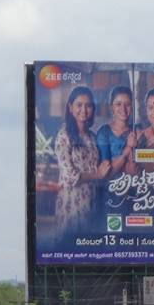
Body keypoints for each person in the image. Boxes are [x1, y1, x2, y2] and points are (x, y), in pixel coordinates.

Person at [52, 85, 103, 242]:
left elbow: (99, 166)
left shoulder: (92, 137)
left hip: (91, 201)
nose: (84, 110)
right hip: (72, 204)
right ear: (70, 108)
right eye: (79, 105)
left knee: (89, 248)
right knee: (70, 248)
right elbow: (70, 176)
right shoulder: (64, 136)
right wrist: (97, 175)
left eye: (88, 105)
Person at [94, 85, 137, 186]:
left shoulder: (136, 131)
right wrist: (127, 149)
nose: (123, 108)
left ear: (132, 107)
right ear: (111, 107)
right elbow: (106, 173)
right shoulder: (104, 133)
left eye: (127, 104)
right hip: (110, 189)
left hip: (133, 189)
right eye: (118, 104)